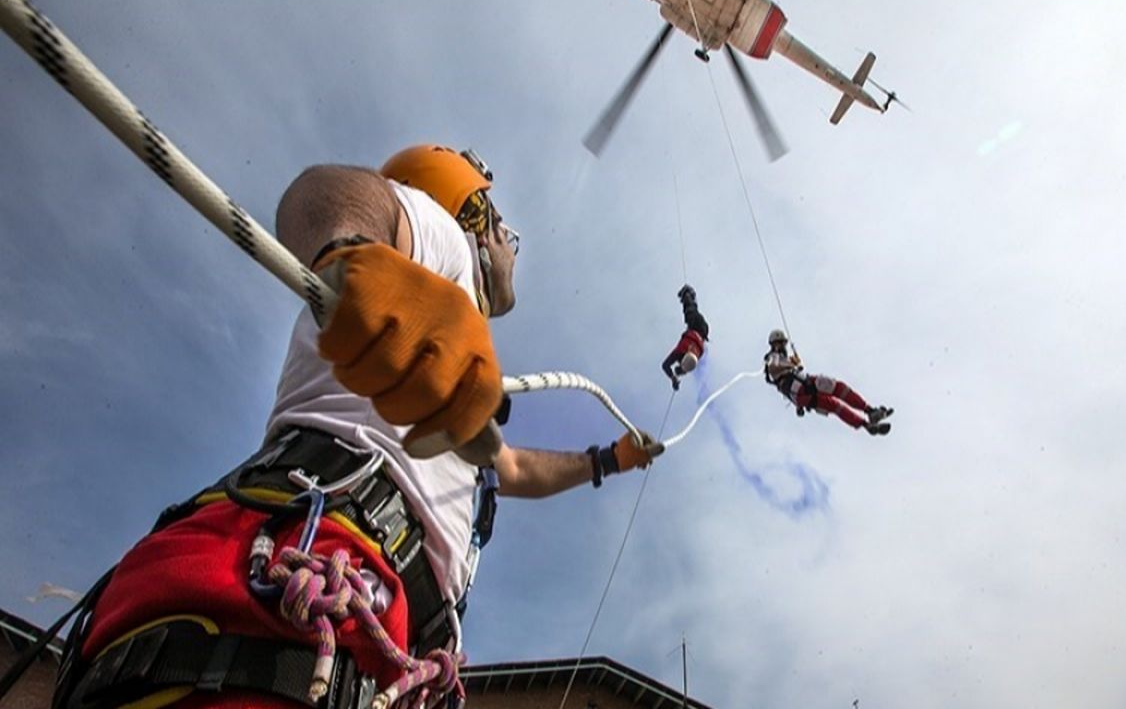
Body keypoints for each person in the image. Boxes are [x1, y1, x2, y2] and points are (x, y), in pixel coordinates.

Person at [52, 145, 662, 709]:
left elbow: (513, 468)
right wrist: (350, 251)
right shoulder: (439, 239)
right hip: (299, 588)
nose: (511, 248)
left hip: (357, 618)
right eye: (508, 234)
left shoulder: (446, 365)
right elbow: (322, 196)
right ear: (478, 219)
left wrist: (609, 459)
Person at [763, 329, 893, 435]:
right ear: (776, 343)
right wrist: (792, 363)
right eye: (782, 343)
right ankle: (869, 411)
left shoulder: (780, 365)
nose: (784, 347)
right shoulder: (773, 356)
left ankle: (865, 425)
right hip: (803, 386)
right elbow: (774, 366)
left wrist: (799, 406)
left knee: (835, 406)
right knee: (838, 388)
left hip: (799, 396)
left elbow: (783, 383)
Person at [660, 284, 709, 390]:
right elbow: (665, 365)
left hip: (704, 331)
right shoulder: (680, 352)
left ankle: (689, 296)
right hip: (697, 327)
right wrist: (673, 377)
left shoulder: (697, 354)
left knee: (692, 312)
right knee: (690, 313)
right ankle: (687, 294)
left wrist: (676, 376)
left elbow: (685, 368)